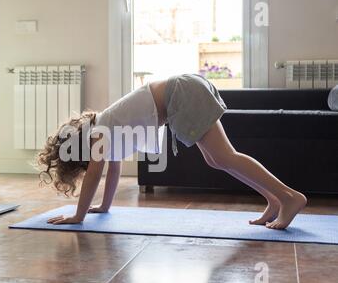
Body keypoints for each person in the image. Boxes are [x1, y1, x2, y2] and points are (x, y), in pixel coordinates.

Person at [37, 74, 307, 230]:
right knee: (217, 160)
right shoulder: (107, 130)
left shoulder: (99, 130)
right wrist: (104, 206)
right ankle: (274, 199)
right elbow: (113, 168)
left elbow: (97, 174)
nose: (86, 166)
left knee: (225, 156)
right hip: (183, 91)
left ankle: (290, 197)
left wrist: (78, 215)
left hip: (182, 93)